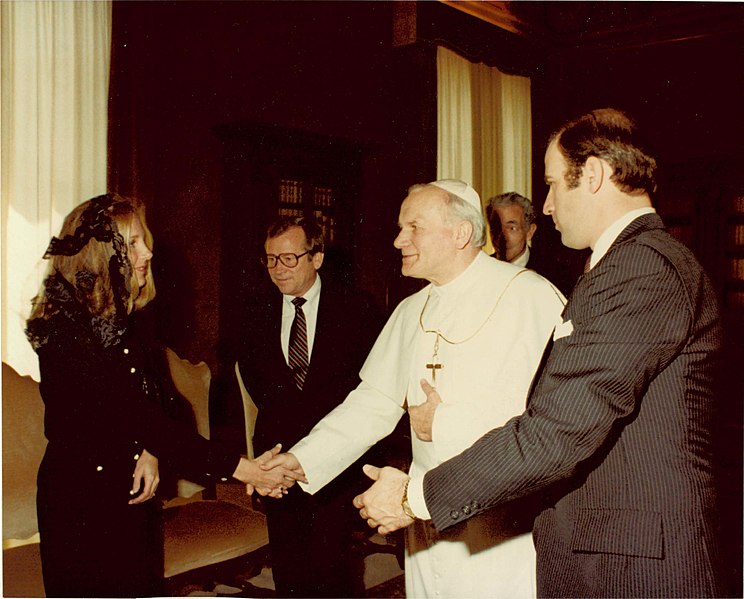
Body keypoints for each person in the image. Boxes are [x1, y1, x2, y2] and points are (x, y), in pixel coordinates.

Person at [353, 109, 724, 598]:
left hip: (635, 562)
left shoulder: (642, 267)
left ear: (592, 175)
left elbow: (557, 429)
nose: (546, 207)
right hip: (603, 543)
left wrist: (415, 495)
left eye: (552, 185)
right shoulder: (624, 264)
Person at [263, 180, 566, 597]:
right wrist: (302, 459)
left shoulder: (531, 296)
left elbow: (553, 420)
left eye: (413, 227)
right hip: (424, 517)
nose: (398, 239)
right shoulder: (411, 310)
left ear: (460, 233)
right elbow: (372, 403)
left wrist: (448, 421)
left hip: (501, 522)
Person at [25, 194, 302, 598]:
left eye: (144, 240)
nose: (148, 251)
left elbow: (165, 402)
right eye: (133, 243)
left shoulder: (127, 320)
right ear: (102, 253)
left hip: (132, 494)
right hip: (81, 506)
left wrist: (151, 453)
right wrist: (244, 470)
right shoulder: (67, 333)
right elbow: (138, 417)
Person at [235, 216, 384, 597]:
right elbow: (255, 379)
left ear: (316, 258)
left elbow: (366, 386)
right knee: (288, 559)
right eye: (270, 259)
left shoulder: (357, 308)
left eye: (289, 259)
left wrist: (318, 440)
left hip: (337, 453)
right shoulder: (253, 311)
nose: (277, 269)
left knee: (331, 561)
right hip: (277, 450)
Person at [486, 191, 536, 266]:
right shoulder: (481, 270)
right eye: (497, 228)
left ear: (530, 232)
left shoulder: (550, 272)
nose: (503, 237)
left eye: (512, 228)